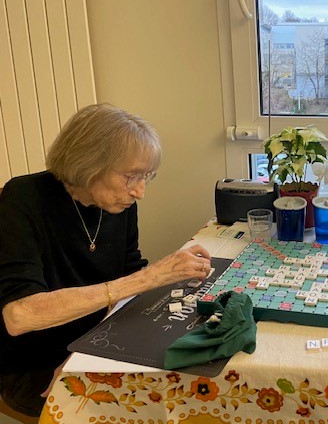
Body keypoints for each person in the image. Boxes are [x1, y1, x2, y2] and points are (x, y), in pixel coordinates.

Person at [0, 104, 212, 419]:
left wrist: (170, 276)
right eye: (131, 176)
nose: (140, 191)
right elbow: (20, 316)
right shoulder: (23, 197)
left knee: (190, 383)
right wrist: (150, 277)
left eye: (146, 176)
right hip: (34, 360)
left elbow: (128, 276)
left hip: (96, 339)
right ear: (89, 163)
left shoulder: (118, 203)